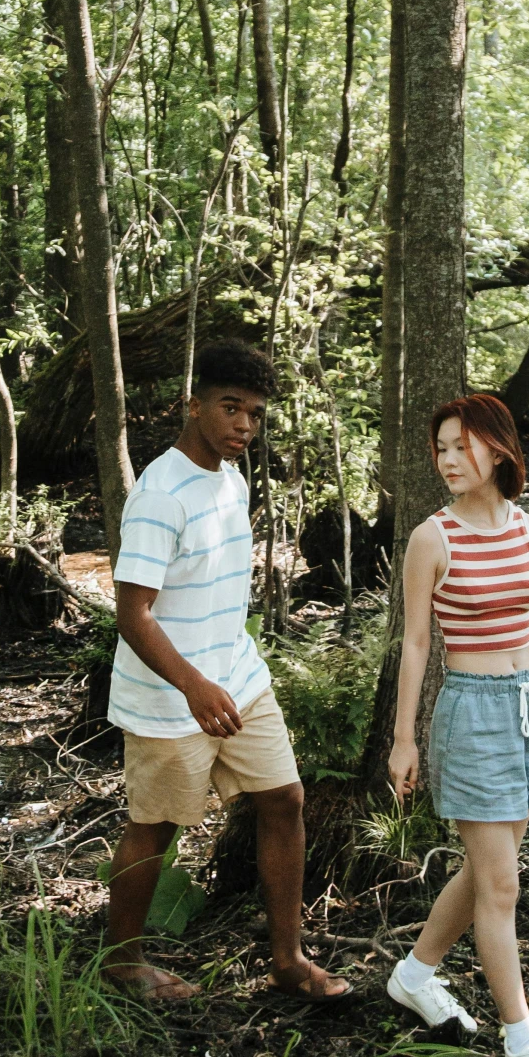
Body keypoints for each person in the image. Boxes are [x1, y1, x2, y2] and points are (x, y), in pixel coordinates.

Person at [103, 339, 349, 1006]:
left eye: (255, 414)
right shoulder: (159, 491)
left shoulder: (232, 477)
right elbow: (133, 614)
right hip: (167, 695)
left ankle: (288, 960)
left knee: (284, 799)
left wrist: (219, 676)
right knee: (156, 827)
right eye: (230, 407)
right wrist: (192, 685)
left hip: (236, 674)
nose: (244, 425)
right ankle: (122, 963)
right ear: (194, 405)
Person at [386, 393, 529, 1057]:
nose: (446, 459)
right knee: (501, 881)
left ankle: (412, 976)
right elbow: (416, 645)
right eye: (439, 448)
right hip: (469, 713)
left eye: (459, 446)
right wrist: (402, 738)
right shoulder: (431, 538)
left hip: (525, 708)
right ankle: (521, 1042)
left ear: (498, 450)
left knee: (485, 870)